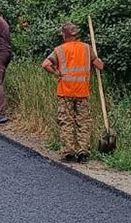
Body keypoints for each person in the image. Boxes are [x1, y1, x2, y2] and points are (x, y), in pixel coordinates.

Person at [42, 23, 104, 161]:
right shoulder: (87, 48)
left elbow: (46, 64)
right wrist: (97, 61)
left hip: (65, 92)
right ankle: (83, 151)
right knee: (83, 122)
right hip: (82, 92)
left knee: (66, 122)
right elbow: (99, 65)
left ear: (64, 35)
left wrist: (57, 73)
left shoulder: (59, 50)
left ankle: (68, 151)